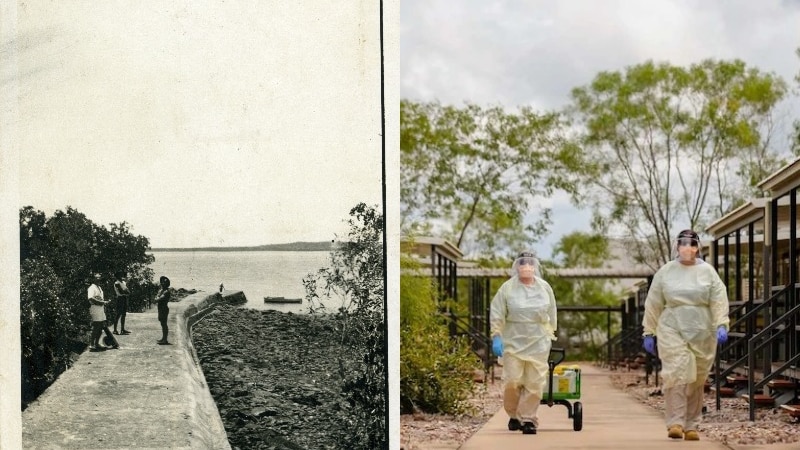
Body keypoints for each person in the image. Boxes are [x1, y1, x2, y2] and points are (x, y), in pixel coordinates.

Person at [642, 229, 730, 441]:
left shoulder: (708, 272)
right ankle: (675, 422)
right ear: (677, 246)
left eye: (691, 244)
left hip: (702, 329)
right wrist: (649, 330)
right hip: (673, 327)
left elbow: (718, 298)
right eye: (683, 243)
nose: (687, 248)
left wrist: (722, 323)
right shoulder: (666, 272)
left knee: (697, 378)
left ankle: (692, 424)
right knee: (677, 373)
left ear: (697, 247)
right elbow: (654, 302)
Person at [489, 251, 558, 435]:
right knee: (513, 380)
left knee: (535, 382)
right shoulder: (507, 288)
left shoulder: (544, 288)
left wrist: (551, 331)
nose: (526, 267)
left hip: (538, 341)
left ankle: (528, 419)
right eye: (523, 263)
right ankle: (514, 415)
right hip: (513, 340)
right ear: (517, 266)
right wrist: (496, 335)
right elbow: (497, 311)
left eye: (530, 263)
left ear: (535, 266)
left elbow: (552, 312)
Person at [88, 273, 119, 351]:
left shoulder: (99, 288)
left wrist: (105, 302)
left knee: (100, 326)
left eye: (99, 278)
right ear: (93, 279)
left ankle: (96, 343)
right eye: (96, 278)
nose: (98, 279)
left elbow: (99, 298)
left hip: (101, 309)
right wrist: (102, 302)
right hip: (95, 308)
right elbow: (90, 298)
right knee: (96, 326)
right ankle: (91, 345)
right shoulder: (92, 288)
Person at [155, 276, 172, 345]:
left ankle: (165, 339)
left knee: (164, 324)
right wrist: (157, 298)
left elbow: (158, 299)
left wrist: (157, 298)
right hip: (160, 308)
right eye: (162, 282)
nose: (162, 283)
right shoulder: (161, 290)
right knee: (162, 323)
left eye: (164, 282)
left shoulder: (166, 291)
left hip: (164, 308)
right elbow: (156, 298)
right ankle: (163, 338)